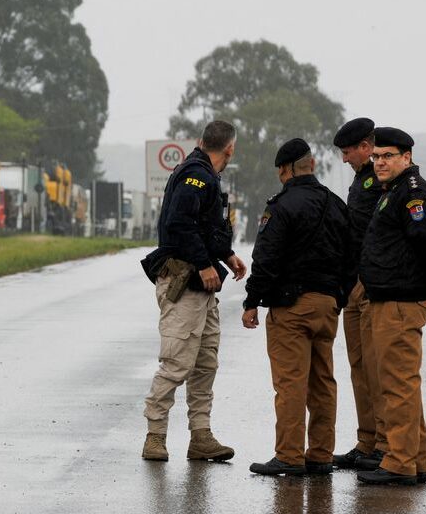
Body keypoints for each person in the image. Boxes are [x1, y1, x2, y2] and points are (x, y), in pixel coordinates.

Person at [242, 139, 352, 477]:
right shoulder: (336, 204)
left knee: (290, 382)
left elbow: (266, 257)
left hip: (291, 306)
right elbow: (352, 256)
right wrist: (339, 297)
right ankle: (320, 454)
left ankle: (289, 455)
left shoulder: (281, 205)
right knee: (323, 382)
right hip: (328, 305)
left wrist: (252, 300)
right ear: (313, 165)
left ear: (285, 169)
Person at [139, 120, 246, 462]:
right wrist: (204, 263)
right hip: (184, 281)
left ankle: (201, 436)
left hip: (201, 288)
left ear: (202, 141)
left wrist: (226, 256)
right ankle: (154, 436)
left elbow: (206, 226)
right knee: (176, 362)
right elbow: (179, 224)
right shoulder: (195, 175)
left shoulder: (207, 175)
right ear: (230, 148)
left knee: (205, 364)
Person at [357, 127, 426, 485]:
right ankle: (417, 460)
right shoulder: (393, 191)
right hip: (389, 297)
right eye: (376, 157)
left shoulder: (412, 193)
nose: (379, 162)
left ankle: (398, 462)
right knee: (403, 386)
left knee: (396, 386)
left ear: (406, 158)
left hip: (400, 301)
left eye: (387, 156)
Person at [330, 118, 388, 471]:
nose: (344, 158)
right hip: (353, 283)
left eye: (348, 151)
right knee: (359, 366)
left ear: (365, 147)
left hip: (370, 282)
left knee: (377, 368)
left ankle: (384, 444)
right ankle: (367, 441)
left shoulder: (380, 179)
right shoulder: (360, 180)